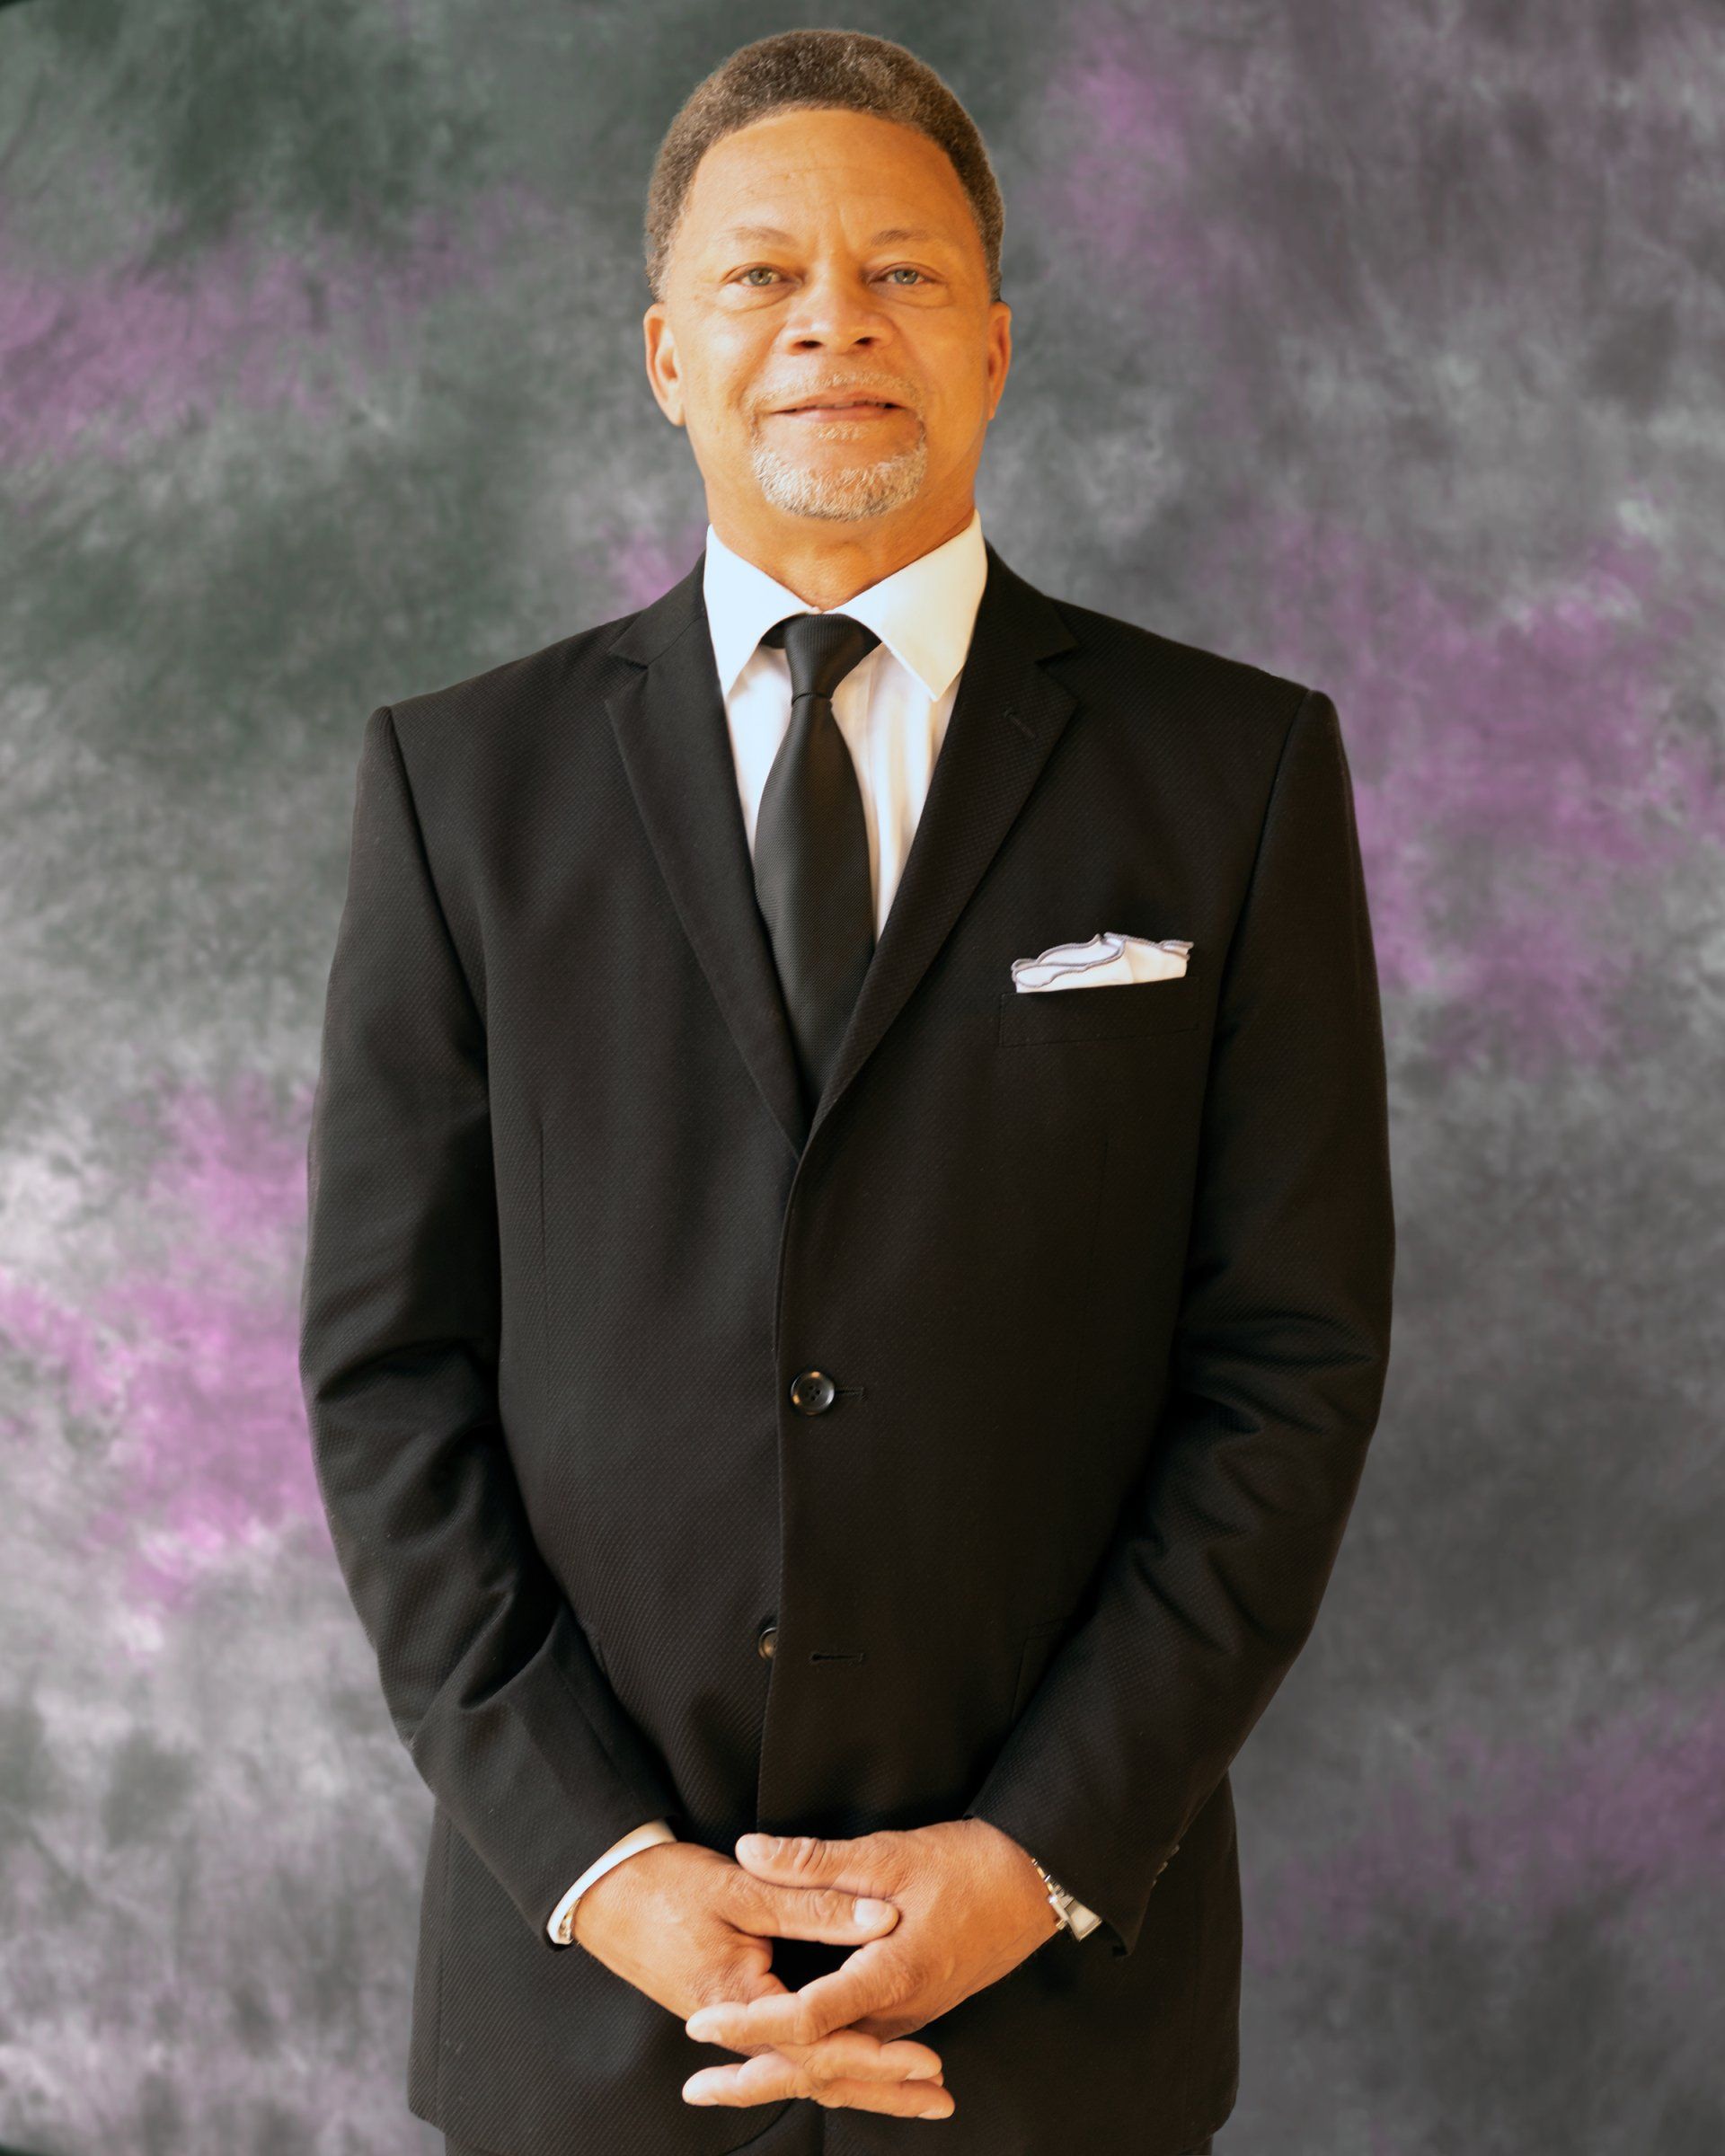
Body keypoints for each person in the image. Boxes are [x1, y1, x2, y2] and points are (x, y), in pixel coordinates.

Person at [298, 28, 1393, 2156]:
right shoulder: (459, 788)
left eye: (900, 274)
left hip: (1055, 2013)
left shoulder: (1234, 773)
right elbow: (390, 1375)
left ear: (993, 344)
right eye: (760, 277)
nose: (833, 324)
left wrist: (1034, 1859)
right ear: (665, 356)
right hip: (589, 2015)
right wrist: (608, 1870)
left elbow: (1289, 1366)